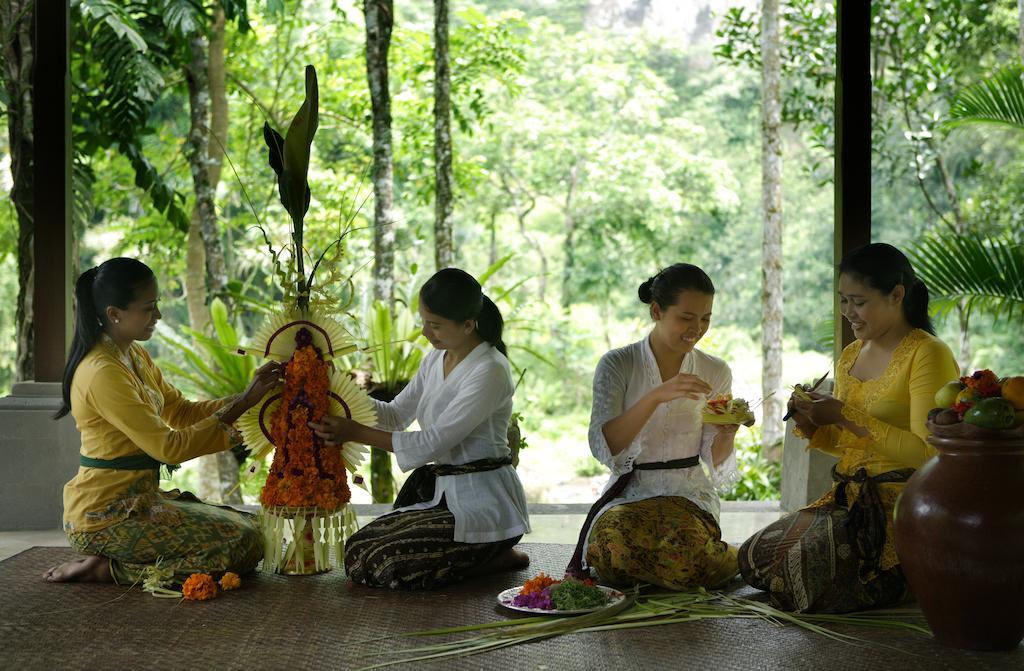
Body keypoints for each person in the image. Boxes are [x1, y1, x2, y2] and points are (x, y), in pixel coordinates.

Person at [739, 243, 959, 613]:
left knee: (799, 576)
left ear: (897, 294)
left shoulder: (927, 353)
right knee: (753, 558)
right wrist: (813, 422)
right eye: (842, 300)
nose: (847, 313)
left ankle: (912, 573)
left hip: (901, 508)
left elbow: (931, 454)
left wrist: (843, 415)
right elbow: (849, 446)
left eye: (858, 301)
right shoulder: (851, 355)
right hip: (848, 500)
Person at [43, 258, 281, 585]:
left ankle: (113, 562)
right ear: (115, 314)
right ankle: (111, 568)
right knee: (243, 545)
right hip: (106, 518)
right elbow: (168, 448)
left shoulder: (133, 355)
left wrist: (253, 400)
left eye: (158, 305)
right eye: (149, 307)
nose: (158, 316)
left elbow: (179, 412)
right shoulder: (102, 372)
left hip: (142, 501)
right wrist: (244, 402)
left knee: (253, 527)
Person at [310, 268, 531, 589]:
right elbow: (394, 415)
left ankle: (496, 556)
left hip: (484, 505)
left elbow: (433, 443)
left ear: (468, 325)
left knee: (385, 561)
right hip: (442, 495)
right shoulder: (435, 359)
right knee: (358, 549)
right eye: (425, 321)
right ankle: (479, 557)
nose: (426, 332)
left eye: (436, 325)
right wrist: (337, 386)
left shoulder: (490, 370)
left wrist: (353, 431)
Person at [565, 263, 741, 590]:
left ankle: (726, 558)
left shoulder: (715, 370)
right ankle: (723, 562)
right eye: (686, 318)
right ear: (656, 311)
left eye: (705, 318)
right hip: (630, 494)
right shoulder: (618, 364)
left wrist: (727, 434)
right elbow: (607, 447)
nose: (697, 328)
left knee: (685, 559)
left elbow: (714, 459)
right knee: (610, 554)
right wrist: (657, 395)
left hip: (686, 494)